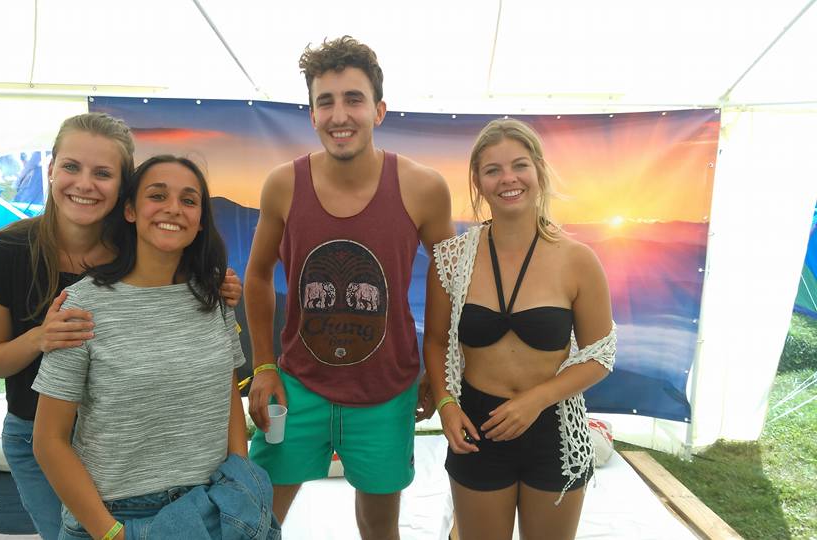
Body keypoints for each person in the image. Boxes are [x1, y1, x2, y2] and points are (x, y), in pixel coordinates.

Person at [0, 113, 241, 539]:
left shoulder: (140, 248)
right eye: (72, 167)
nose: (85, 184)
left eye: (103, 173)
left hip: (125, 440)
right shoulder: (1, 254)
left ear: (123, 189)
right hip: (40, 429)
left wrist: (217, 283)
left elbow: (189, 301)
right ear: (51, 169)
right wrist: (41, 337)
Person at [244, 36, 454, 539]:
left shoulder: (423, 187)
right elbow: (257, 274)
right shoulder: (283, 185)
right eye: (326, 101)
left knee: (379, 525)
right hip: (297, 386)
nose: (340, 115)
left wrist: (437, 370)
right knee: (254, 516)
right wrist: (264, 366)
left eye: (354, 99)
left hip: (386, 390)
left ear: (379, 110)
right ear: (312, 115)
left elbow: (449, 275)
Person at [32, 155, 270, 540]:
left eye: (189, 200)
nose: (173, 208)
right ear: (130, 210)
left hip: (211, 506)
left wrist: (239, 477)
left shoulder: (214, 297)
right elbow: (49, 440)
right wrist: (111, 532)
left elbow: (225, 394)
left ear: (200, 220)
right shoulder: (83, 305)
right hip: (116, 514)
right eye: (157, 195)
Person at [422, 118, 616, 540]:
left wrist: (536, 400)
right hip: (477, 429)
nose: (508, 178)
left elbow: (600, 355)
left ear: (539, 171)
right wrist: (446, 403)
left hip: (555, 428)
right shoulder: (451, 259)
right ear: (478, 182)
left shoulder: (577, 260)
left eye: (519, 165)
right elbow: (435, 342)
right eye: (493, 170)